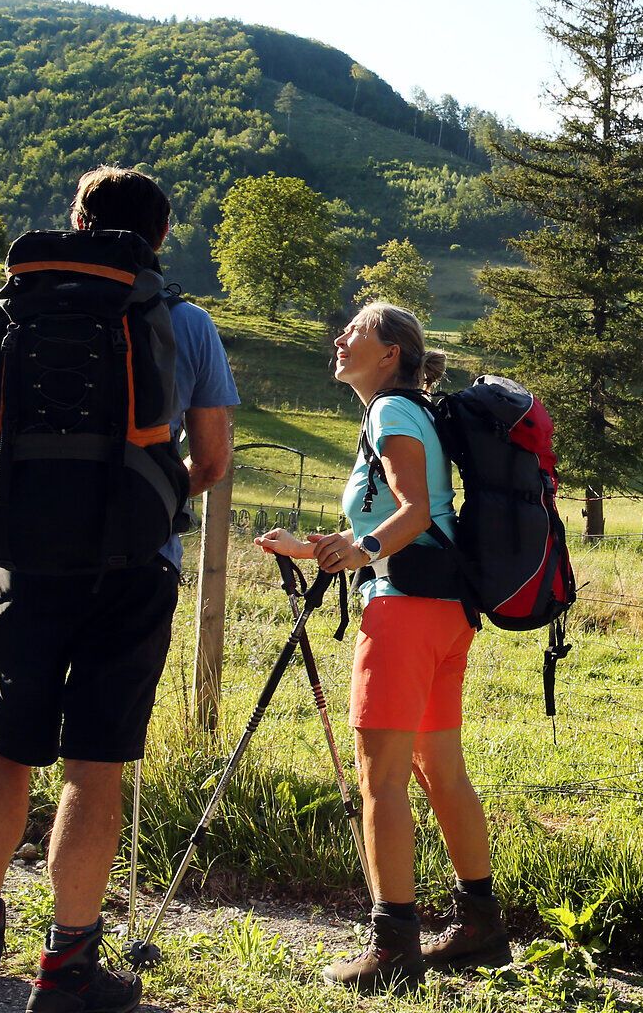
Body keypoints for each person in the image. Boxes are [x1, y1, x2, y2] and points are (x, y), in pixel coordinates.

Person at [0, 167, 238, 1013]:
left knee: (6, 744)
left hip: (23, 560)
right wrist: (151, 497)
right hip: (133, 567)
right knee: (94, 764)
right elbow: (211, 463)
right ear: (159, 240)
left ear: (77, 221)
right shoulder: (183, 321)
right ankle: (66, 968)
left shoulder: (9, 307)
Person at [255, 302, 509, 992]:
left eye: (356, 332)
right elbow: (403, 531)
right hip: (442, 611)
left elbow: (412, 515)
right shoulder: (404, 413)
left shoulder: (393, 413)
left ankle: (393, 947)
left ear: (390, 352)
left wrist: (360, 545)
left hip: (403, 617)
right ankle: (481, 925)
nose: (339, 338)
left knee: (381, 780)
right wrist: (311, 548)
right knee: (438, 771)